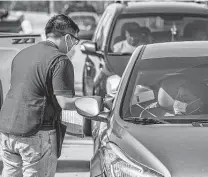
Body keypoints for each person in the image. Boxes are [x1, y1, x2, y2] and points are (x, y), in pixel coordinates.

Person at [0, 14, 80, 177]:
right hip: (36, 133)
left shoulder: (22, 54)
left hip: (8, 131)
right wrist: (93, 101)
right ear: (67, 37)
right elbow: (64, 102)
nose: (74, 45)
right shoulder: (60, 60)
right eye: (74, 40)